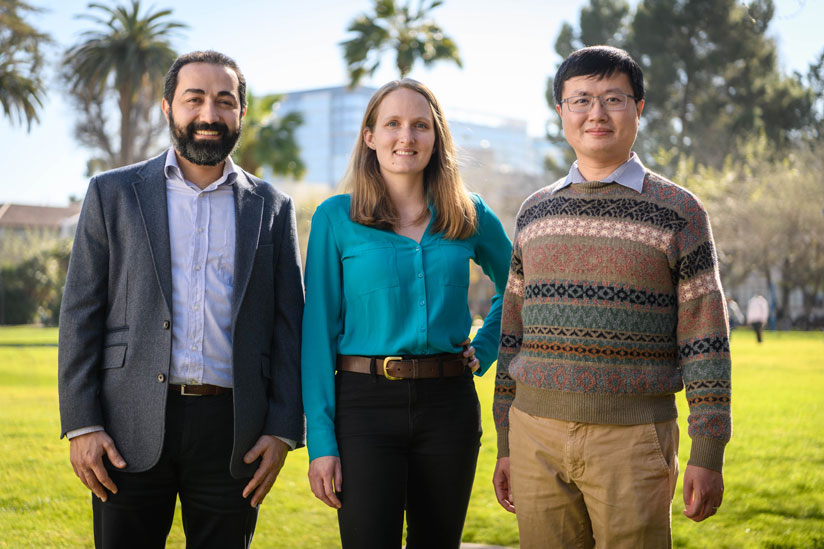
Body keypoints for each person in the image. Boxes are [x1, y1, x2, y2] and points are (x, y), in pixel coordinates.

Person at [58, 50, 304, 549]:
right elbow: (80, 312)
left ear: (241, 113)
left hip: (233, 432)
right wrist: (81, 423)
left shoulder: (273, 208)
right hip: (127, 426)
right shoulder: (112, 193)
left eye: (224, 101)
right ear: (168, 107)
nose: (209, 115)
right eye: (194, 99)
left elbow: (288, 328)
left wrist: (281, 430)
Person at [492, 46, 732, 548]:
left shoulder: (679, 211)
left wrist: (707, 451)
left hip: (634, 439)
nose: (595, 113)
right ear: (561, 113)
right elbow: (512, 332)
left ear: (639, 108)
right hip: (534, 436)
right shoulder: (534, 212)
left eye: (613, 98)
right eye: (579, 100)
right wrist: (506, 441)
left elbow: (706, 337)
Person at [301, 78, 512, 548]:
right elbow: (316, 334)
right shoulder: (335, 218)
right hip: (363, 407)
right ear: (369, 136)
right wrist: (321, 442)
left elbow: (521, 285)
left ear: (436, 138)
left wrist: (487, 345)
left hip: (449, 406)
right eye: (392, 124)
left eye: (420, 125)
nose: (406, 137)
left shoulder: (468, 213)